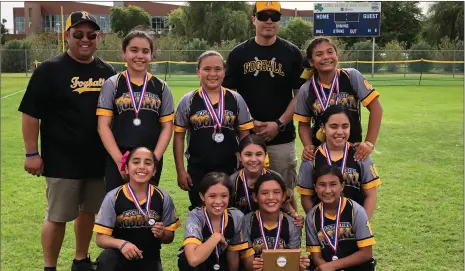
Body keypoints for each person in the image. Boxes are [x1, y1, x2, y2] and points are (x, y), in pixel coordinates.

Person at [18, 11, 116, 271]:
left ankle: (81, 260)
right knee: (58, 216)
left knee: (88, 212)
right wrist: (31, 154)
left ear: (98, 37)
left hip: (96, 159)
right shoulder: (50, 69)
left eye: (91, 34)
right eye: (78, 34)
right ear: (67, 36)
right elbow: (30, 114)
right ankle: (50, 266)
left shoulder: (107, 71)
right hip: (61, 158)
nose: (85, 39)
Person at [223, 1, 306, 211]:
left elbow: (300, 95)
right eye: (263, 16)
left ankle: (290, 235)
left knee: (284, 191)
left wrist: (279, 123)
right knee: (242, 190)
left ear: (280, 21)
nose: (269, 21)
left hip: (282, 136)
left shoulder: (293, 53)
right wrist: (249, 123)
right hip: (245, 136)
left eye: (275, 17)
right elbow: (229, 95)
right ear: (254, 20)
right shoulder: (238, 53)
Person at [174, 50, 254, 210]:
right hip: (198, 169)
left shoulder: (235, 99)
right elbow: (179, 138)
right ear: (198, 72)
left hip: (230, 168)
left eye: (218, 69)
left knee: (229, 210)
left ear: (224, 72)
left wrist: (245, 167)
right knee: (200, 209)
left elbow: (245, 136)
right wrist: (181, 170)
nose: (212, 74)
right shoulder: (188, 100)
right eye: (207, 69)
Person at [97, 30, 174, 191]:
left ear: (151, 55)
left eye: (145, 51)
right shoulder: (112, 84)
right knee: (117, 207)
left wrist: (154, 160)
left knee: (147, 207)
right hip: (119, 157)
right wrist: (120, 161)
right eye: (134, 50)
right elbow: (103, 126)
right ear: (124, 53)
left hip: (149, 158)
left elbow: (167, 127)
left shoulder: (161, 87)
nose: (140, 55)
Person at [294, 37, 383, 162]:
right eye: (319, 54)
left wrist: (369, 143)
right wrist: (308, 146)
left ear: (337, 55)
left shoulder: (351, 76)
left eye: (330, 52)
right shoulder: (307, 89)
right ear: (311, 61)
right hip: (322, 154)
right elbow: (303, 123)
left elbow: (376, 108)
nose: (326, 57)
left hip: (354, 152)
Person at [93, 146, 180, 271]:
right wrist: (122, 244)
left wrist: (162, 234)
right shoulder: (113, 197)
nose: (142, 166)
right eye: (136, 162)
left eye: (148, 163)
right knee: (107, 259)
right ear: (127, 168)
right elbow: (100, 239)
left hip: (149, 258)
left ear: (154, 170)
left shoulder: (163, 197)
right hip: (118, 257)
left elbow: (169, 237)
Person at [297, 105, 381, 219]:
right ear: (323, 128)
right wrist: (318, 222)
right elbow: (306, 198)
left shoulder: (360, 155)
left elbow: (370, 195)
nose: (340, 132)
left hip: (354, 225)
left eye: (345, 126)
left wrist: (363, 224)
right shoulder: (312, 158)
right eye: (333, 126)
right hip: (324, 228)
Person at [306, 165, 376, 271]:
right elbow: (316, 257)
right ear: (315, 187)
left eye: (333, 184)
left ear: (342, 186)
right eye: (322, 185)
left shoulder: (356, 211)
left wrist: (334, 265)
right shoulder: (311, 216)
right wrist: (327, 267)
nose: (328, 190)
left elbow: (366, 253)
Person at [240, 172, 310, 271]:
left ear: (284, 195)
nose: (271, 197)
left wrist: (299, 265)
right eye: (264, 193)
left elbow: (291, 262)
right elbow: (248, 264)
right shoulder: (246, 222)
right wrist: (255, 266)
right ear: (255, 197)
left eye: (276, 192)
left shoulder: (293, 224)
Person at [230, 135, 304, 228]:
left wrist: (294, 215)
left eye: (259, 154)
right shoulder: (232, 181)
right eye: (248, 154)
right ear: (239, 156)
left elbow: (284, 202)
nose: (253, 159)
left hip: (270, 230)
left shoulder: (275, 177)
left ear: (265, 155)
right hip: (242, 230)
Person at [178, 172, 248, 271]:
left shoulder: (236, 217)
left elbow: (233, 255)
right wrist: (216, 237)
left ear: (229, 196)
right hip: (200, 264)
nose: (218, 201)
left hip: (221, 262)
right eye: (212, 196)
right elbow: (193, 260)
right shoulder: (195, 217)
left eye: (224, 196)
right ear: (202, 196)